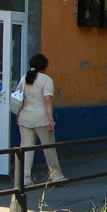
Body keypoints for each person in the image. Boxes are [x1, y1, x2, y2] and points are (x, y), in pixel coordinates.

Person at [16, 53, 65, 185]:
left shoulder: (25, 78)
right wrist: (50, 119)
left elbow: (18, 98)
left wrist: (18, 114)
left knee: (26, 148)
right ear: (45, 66)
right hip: (41, 118)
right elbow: (48, 99)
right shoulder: (46, 80)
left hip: (25, 117)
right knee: (49, 148)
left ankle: (25, 178)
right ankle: (56, 176)